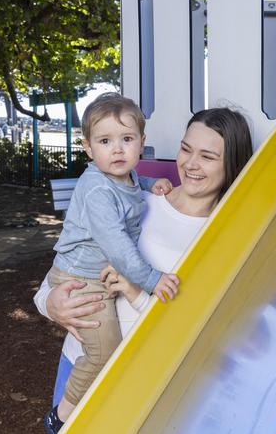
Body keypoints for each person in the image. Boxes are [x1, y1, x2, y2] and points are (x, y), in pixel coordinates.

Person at [34, 107, 253, 433]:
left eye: (207, 156)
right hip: (81, 360)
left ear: (231, 163)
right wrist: (50, 304)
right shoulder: (137, 199)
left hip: (148, 380)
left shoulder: (224, 237)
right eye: (185, 149)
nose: (190, 164)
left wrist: (136, 291)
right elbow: (65, 270)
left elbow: (197, 328)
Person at [41, 92, 179, 432]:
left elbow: (131, 188)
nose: (117, 149)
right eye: (105, 141)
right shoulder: (96, 191)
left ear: (141, 143)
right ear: (88, 148)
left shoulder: (126, 178)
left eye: (126, 139)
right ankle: (62, 417)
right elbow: (118, 246)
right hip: (81, 280)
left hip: (94, 275)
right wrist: (152, 279)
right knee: (104, 352)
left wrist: (151, 183)